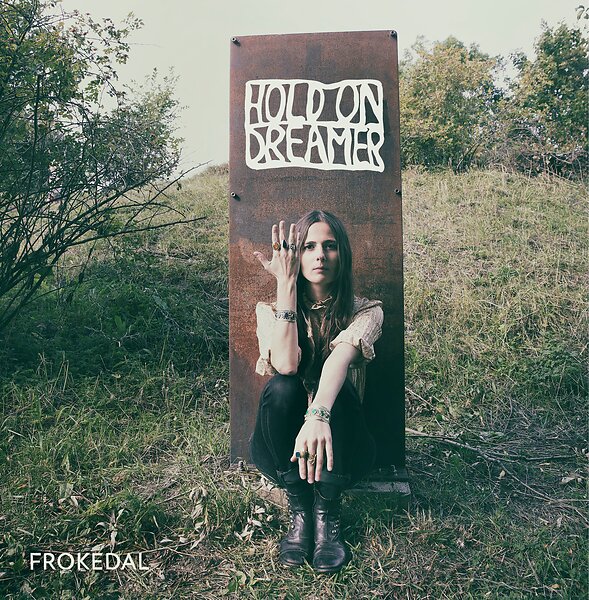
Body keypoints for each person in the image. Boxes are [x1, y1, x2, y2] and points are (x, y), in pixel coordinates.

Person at [249, 210, 384, 573]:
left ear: (343, 254)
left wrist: (318, 414)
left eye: (330, 246)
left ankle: (326, 511)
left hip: (345, 449)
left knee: (337, 389)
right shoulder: (269, 312)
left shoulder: (368, 312)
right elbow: (287, 364)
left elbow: (338, 359)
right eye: (308, 246)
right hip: (283, 453)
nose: (320, 255)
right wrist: (286, 284)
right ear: (296, 255)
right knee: (282, 386)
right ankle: (300, 509)